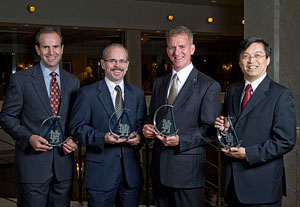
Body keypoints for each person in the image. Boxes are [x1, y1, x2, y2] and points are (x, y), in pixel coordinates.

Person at [0, 27, 80, 206]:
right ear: (37, 49)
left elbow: (77, 120)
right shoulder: (21, 80)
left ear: (62, 48)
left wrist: (74, 139)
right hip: (32, 168)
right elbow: (6, 117)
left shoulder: (73, 82)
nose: (51, 52)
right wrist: (28, 138)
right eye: (45, 47)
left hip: (63, 167)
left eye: (55, 46)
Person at [143, 26, 221, 207]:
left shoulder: (208, 86)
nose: (176, 52)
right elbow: (153, 116)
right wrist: (147, 127)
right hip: (159, 170)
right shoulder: (159, 83)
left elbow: (209, 130)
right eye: (171, 47)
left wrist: (181, 140)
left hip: (187, 173)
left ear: (192, 49)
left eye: (182, 47)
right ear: (167, 50)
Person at [214, 37, 296, 206]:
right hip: (232, 185)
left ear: (268, 60)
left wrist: (248, 154)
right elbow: (233, 126)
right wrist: (224, 129)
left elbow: (285, 141)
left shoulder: (281, 95)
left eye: (258, 55)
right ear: (239, 61)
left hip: (262, 187)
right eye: (246, 56)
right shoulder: (232, 91)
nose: (251, 60)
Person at [69, 43, 146, 207]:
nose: (117, 65)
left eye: (121, 61)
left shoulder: (137, 94)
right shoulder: (87, 93)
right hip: (100, 175)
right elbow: (77, 128)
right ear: (103, 64)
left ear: (127, 65)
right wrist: (102, 138)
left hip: (130, 174)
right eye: (112, 61)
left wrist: (139, 136)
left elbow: (141, 125)